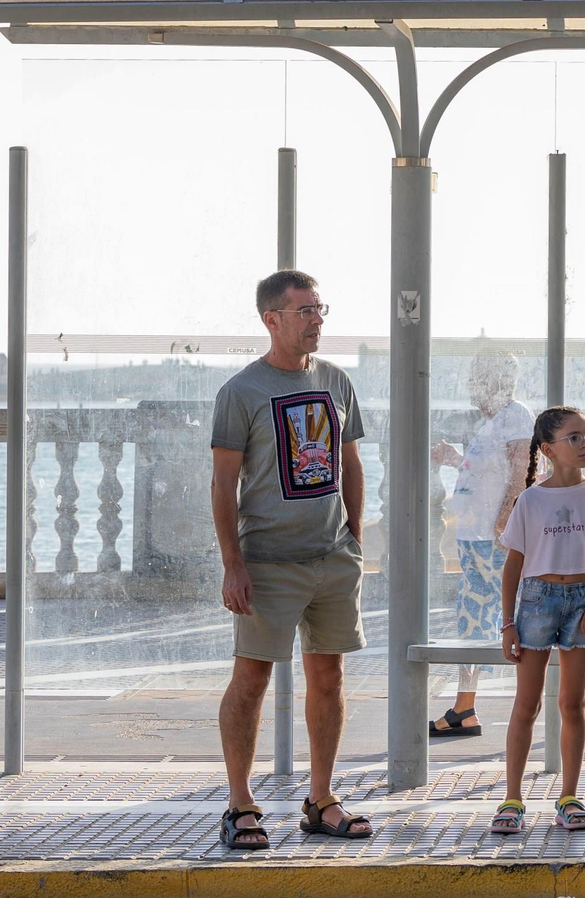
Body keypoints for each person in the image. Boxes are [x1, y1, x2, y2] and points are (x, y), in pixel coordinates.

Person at [212, 270, 373, 850]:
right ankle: (239, 805)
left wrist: (354, 536)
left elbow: (351, 464)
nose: (317, 320)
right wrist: (234, 563)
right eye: (304, 311)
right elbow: (223, 484)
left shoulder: (336, 380)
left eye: (320, 309)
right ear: (271, 320)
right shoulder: (241, 392)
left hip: (331, 558)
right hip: (267, 562)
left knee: (328, 676)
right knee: (251, 677)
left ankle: (321, 799)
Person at [428, 356, 585, 737]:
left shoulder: (514, 416)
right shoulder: (496, 421)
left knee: (509, 621)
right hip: (478, 538)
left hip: (492, 539)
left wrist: (506, 520)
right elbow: (492, 471)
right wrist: (455, 459)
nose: (471, 389)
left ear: (495, 382)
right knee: (477, 618)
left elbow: (521, 468)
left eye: (476, 379)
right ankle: (465, 707)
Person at [489, 407, 585, 835]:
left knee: (572, 705)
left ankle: (569, 797)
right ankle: (512, 799)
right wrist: (507, 622)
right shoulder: (532, 500)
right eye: (574, 437)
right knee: (527, 705)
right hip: (536, 601)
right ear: (549, 449)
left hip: (580, 600)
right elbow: (513, 566)